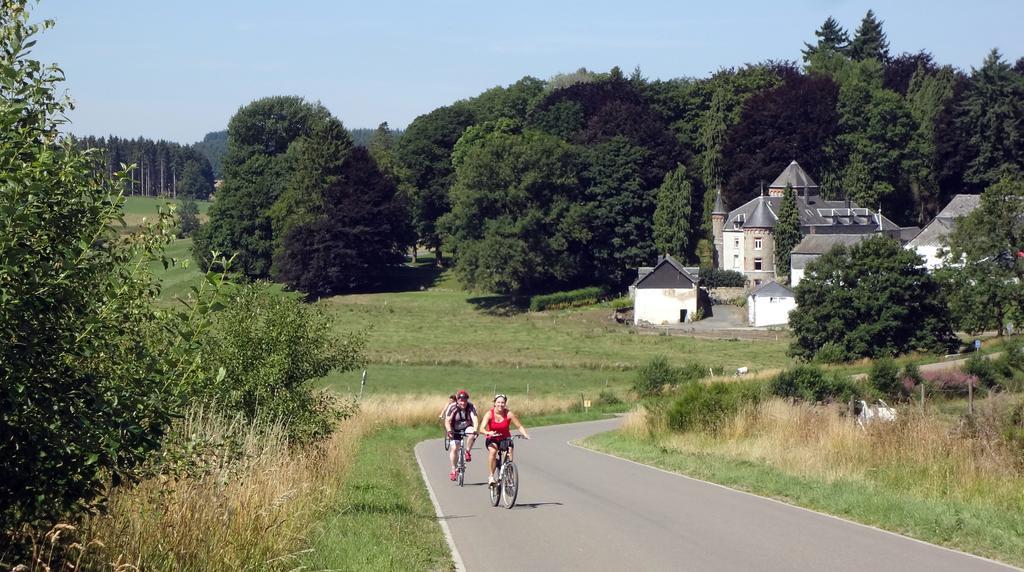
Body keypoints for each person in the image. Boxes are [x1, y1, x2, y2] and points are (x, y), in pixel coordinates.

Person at [479, 394, 530, 486]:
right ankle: (491, 476)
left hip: (505, 439)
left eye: (503, 402)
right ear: (494, 403)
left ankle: (508, 476)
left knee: (509, 455)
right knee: (493, 451)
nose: (500, 404)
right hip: (492, 439)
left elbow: (519, 426)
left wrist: (525, 434)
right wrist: (488, 433)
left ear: (505, 403)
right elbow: (481, 429)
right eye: (498, 402)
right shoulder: (489, 414)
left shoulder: (509, 414)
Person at [445, 390, 479, 481]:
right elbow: (447, 421)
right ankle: (453, 470)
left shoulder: (471, 407)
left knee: (471, 434)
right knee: (455, 448)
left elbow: (475, 419)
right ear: (457, 400)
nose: (463, 402)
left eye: (465, 400)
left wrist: (475, 429)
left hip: (467, 427)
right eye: (461, 400)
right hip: (454, 428)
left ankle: (467, 452)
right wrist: (449, 431)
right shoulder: (452, 407)